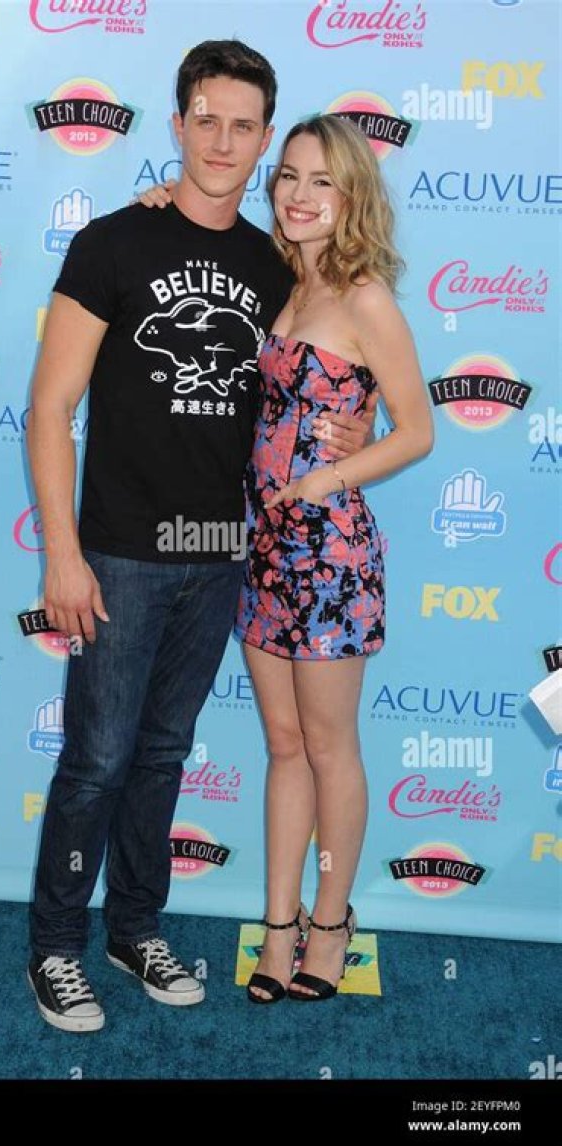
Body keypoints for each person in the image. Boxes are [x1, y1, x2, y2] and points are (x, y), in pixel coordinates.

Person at [25, 41, 371, 1033]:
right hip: (119, 554)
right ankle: (56, 945)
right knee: (97, 758)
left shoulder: (276, 265)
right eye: (206, 120)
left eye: (243, 125)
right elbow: (50, 408)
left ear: (264, 141)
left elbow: (332, 362)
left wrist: (358, 430)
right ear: (178, 124)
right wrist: (61, 552)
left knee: (164, 754)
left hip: (224, 554)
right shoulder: (110, 244)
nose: (223, 141)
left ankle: (136, 927)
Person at [237, 115, 433, 1002]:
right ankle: (277, 927)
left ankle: (330, 921)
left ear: (352, 195)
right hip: (262, 550)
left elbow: (417, 431)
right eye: (289, 175)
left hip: (329, 556)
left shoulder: (366, 299)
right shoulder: (281, 281)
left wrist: (330, 476)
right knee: (283, 744)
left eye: (323, 180)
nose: (300, 194)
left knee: (328, 747)